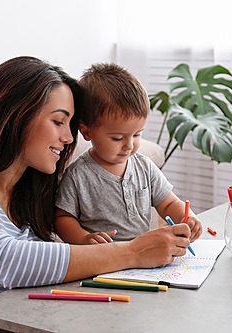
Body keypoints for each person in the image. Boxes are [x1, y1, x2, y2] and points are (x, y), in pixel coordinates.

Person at [0, 56, 191, 333]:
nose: (69, 138)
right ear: (15, 116)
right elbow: (5, 261)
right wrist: (133, 251)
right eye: (59, 122)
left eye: (71, 125)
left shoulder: (31, 196)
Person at [54, 63, 203, 245]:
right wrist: (84, 238)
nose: (129, 145)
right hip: (101, 259)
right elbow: (62, 218)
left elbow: (169, 203)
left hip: (144, 256)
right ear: (86, 132)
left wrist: (187, 218)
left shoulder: (145, 167)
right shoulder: (78, 175)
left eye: (137, 134)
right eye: (117, 138)